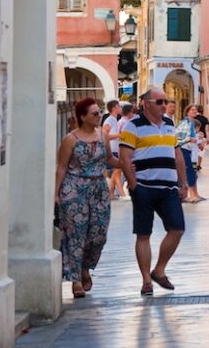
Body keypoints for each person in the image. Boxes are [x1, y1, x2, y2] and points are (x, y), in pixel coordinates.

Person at [119, 87, 188, 296]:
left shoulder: (169, 123)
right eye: (160, 102)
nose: (164, 105)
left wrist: (183, 183)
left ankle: (159, 270)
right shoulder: (133, 125)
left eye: (166, 101)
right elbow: (125, 157)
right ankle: (146, 280)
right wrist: (134, 186)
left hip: (168, 188)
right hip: (144, 187)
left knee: (177, 229)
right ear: (146, 103)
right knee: (143, 234)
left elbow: (177, 155)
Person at [55, 97, 119, 298]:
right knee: (76, 234)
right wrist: (55, 194)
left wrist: (127, 164)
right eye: (95, 113)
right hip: (74, 189)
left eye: (100, 112)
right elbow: (62, 167)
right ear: (83, 117)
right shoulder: (70, 139)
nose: (100, 115)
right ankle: (76, 279)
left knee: (99, 233)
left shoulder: (103, 136)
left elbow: (109, 159)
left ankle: (85, 266)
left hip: (98, 189)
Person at [176, 105, 205, 203]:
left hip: (189, 151)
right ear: (187, 112)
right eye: (192, 110)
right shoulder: (185, 122)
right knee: (189, 173)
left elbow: (192, 137)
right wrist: (189, 139)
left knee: (192, 173)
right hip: (184, 150)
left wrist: (198, 140)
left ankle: (193, 194)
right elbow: (179, 136)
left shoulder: (191, 123)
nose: (194, 111)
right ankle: (190, 195)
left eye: (195, 110)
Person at [102, 100, 123, 200]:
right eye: (119, 106)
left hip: (114, 149)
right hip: (110, 149)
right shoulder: (110, 120)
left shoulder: (114, 120)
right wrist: (119, 135)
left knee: (115, 171)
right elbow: (104, 135)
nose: (120, 108)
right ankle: (121, 193)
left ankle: (111, 193)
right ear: (114, 108)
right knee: (116, 171)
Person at [195, 105, 209, 171]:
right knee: (201, 151)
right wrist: (208, 138)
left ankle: (194, 164)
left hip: (195, 135)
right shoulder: (205, 119)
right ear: (202, 111)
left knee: (194, 150)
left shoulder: (194, 118)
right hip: (202, 137)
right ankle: (199, 165)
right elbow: (207, 130)